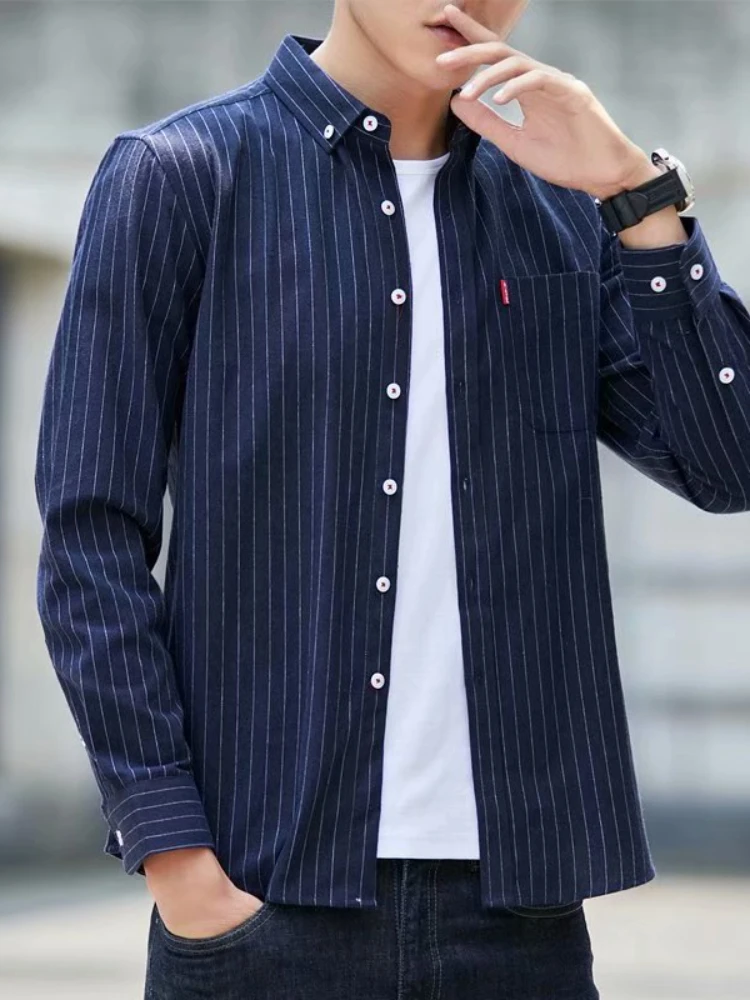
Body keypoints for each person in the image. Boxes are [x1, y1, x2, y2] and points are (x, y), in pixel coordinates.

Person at [34, 1, 750, 998]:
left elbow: (727, 463)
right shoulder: (180, 176)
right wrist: (176, 856)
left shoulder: (561, 205)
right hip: (264, 900)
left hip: (522, 921)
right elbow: (89, 539)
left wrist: (637, 195)